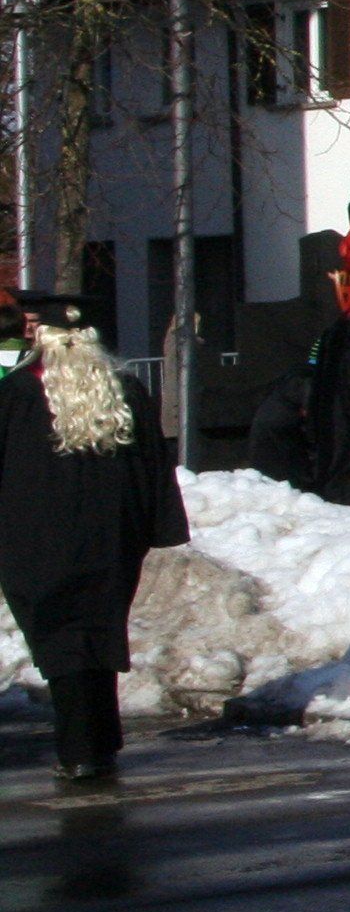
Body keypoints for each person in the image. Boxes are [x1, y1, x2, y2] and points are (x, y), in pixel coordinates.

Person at [0, 292, 186, 783]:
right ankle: (100, 741)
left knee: (62, 641)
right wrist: (156, 526)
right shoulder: (126, 390)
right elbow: (155, 467)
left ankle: (81, 749)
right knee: (98, 635)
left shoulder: (17, 393)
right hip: (111, 539)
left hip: (35, 542)